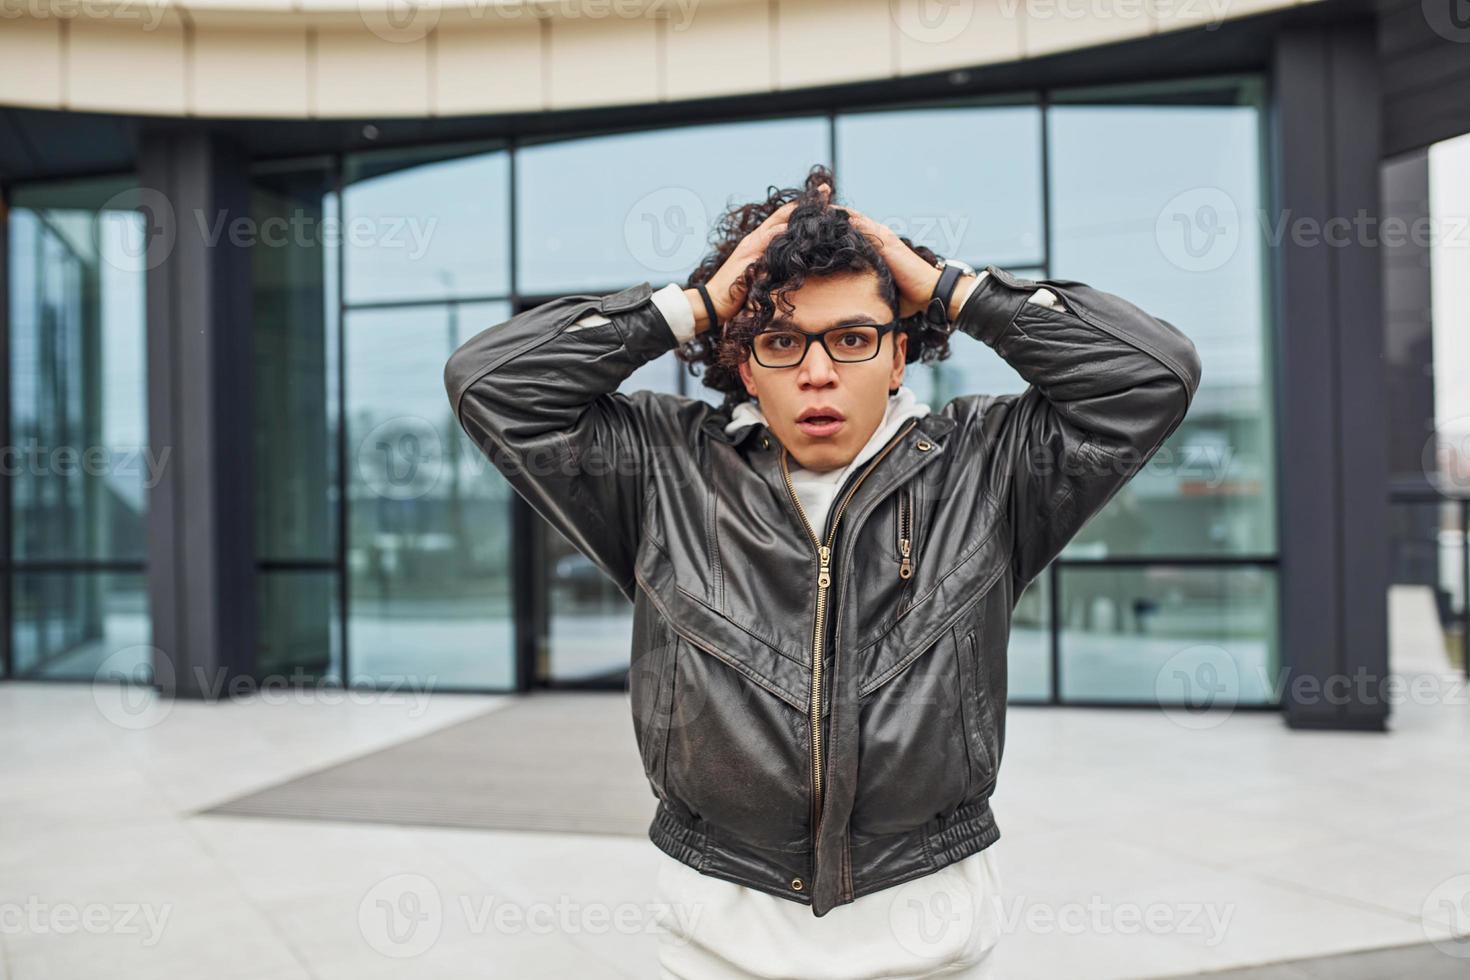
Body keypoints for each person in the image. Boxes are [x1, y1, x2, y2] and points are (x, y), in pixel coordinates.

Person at [444, 165, 1202, 978]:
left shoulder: (986, 469)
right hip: (718, 931)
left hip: (927, 930)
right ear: (743, 361)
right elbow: (492, 385)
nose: (817, 372)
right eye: (780, 341)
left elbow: (1152, 376)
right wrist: (694, 305)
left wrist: (953, 289)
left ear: (900, 354)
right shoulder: (662, 470)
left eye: (852, 338)